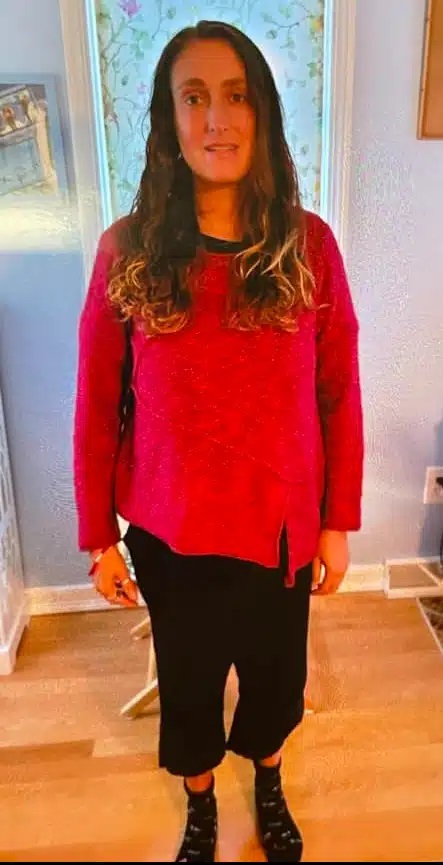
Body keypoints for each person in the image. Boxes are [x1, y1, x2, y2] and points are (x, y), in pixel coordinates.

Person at [73, 19, 364, 863]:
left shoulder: (309, 247)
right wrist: (98, 537)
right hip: (173, 533)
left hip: (280, 532)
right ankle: (200, 802)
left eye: (235, 96)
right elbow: (97, 403)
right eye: (193, 97)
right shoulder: (127, 252)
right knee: (191, 688)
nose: (216, 119)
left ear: (261, 112)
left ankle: (268, 780)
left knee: (274, 682)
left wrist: (336, 522)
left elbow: (338, 396)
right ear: (168, 121)